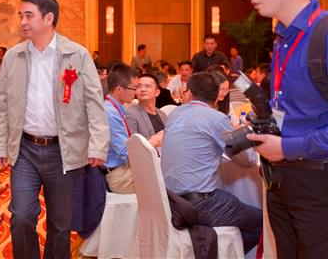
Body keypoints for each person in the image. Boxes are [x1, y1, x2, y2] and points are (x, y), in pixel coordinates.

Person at [0, 0, 109, 259]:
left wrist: (98, 146)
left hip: (64, 152)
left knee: (60, 224)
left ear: (48, 18)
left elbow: (94, 103)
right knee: (21, 216)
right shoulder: (13, 56)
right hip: (25, 150)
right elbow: (2, 104)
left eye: (28, 15)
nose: (22, 21)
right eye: (21, 15)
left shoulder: (77, 55)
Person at [245, 0, 328, 258]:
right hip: (282, 180)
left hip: (317, 183)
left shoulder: (322, 35)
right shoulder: (283, 38)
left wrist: (287, 148)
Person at [161, 72, 262, 253]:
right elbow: (247, 160)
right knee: (260, 222)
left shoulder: (175, 114)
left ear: (189, 92)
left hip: (171, 199)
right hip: (200, 204)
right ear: (216, 96)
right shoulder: (216, 118)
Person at [103, 63, 140, 194]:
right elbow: (125, 153)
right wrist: (151, 143)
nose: (136, 92)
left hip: (124, 169)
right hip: (118, 175)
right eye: (134, 88)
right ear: (119, 89)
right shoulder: (110, 112)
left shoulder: (116, 108)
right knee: (163, 182)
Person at [126, 74, 167, 148]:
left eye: (148, 86)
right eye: (139, 86)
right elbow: (132, 147)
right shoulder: (131, 114)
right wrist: (154, 142)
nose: (143, 89)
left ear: (157, 92)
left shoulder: (163, 114)